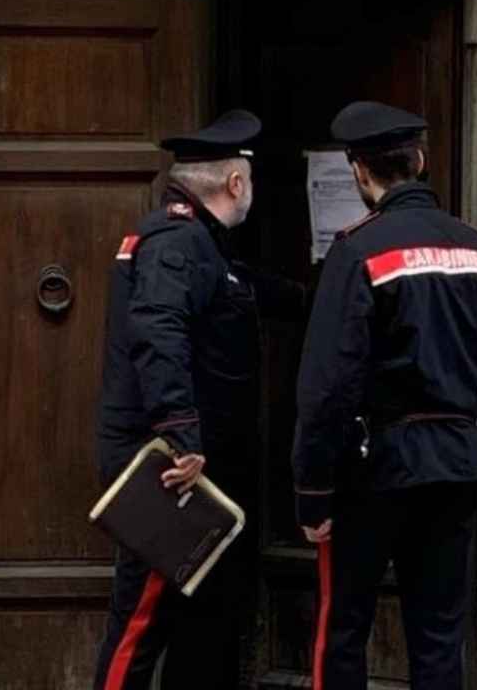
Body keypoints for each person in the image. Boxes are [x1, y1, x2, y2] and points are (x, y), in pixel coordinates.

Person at [292, 101, 477, 690]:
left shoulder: (358, 250)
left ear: (359, 172)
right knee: (439, 638)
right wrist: (462, 430)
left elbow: (327, 386)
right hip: (454, 465)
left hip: (375, 469)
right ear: (420, 161)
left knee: (344, 627)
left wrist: (312, 492)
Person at [95, 109, 298, 690]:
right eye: (250, 182)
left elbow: (239, 288)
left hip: (190, 469)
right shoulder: (178, 243)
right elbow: (158, 329)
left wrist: (319, 290)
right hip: (170, 473)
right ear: (237, 183)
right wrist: (181, 436)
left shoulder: (196, 243)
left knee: (198, 623)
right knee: (141, 623)